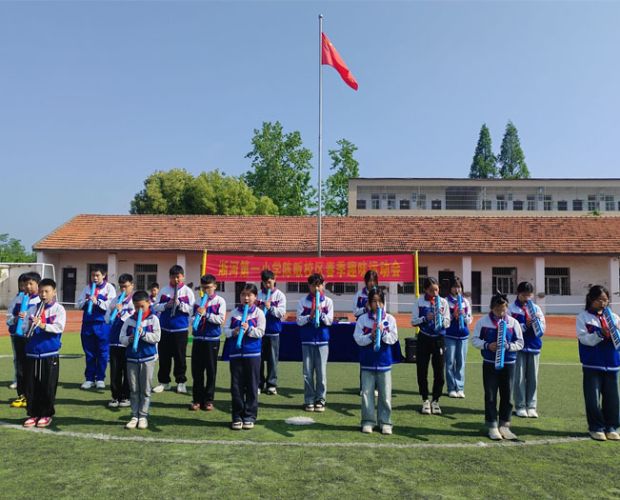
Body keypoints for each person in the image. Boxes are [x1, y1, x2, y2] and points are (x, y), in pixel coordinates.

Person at [472, 291, 524, 440]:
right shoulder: (483, 322)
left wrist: (508, 346)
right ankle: (492, 426)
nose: (501, 312)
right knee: (490, 395)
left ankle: (504, 425)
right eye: (497, 309)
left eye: (503, 309)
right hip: (489, 364)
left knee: (507, 396)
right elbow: (474, 340)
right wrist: (487, 345)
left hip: (508, 364)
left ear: (507, 308)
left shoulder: (513, 323)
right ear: (491, 308)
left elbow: (520, 343)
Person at [576, 285, 620, 441]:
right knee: (593, 400)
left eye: (605, 300)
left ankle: (612, 427)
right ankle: (596, 427)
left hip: (613, 363)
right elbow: (584, 339)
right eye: (599, 300)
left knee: (613, 399)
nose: (603, 303)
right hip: (592, 364)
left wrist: (614, 332)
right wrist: (600, 333)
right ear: (591, 299)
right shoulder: (583, 317)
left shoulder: (614, 318)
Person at [22, 278, 66, 428]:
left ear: (54, 292)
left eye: (47, 291)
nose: (43, 294)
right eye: (41, 291)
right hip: (32, 353)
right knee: (31, 386)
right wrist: (26, 323)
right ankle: (33, 413)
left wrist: (42, 325)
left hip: (49, 353)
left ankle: (46, 414)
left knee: (48, 385)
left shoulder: (59, 309)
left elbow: (59, 327)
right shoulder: (32, 309)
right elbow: (24, 329)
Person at [353, 288, 398, 435]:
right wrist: (370, 336)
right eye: (374, 301)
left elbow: (393, 338)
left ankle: (385, 422)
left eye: (380, 301)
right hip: (367, 362)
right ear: (369, 303)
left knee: (385, 395)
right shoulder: (362, 319)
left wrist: (383, 332)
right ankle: (368, 421)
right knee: (367, 394)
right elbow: (357, 339)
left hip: (384, 362)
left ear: (383, 303)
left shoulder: (390, 319)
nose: (377, 304)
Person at [223, 284, 265, 430]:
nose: (246, 298)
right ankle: (237, 416)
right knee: (236, 387)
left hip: (252, 354)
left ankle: (249, 416)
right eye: (243, 295)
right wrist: (234, 332)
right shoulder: (234, 313)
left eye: (249, 295)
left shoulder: (259, 313)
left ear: (255, 297)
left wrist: (249, 329)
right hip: (236, 354)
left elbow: (261, 332)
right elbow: (225, 330)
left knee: (252, 386)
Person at [120, 291, 161, 430]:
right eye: (136, 307)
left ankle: (143, 416)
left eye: (142, 306)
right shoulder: (129, 320)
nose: (139, 310)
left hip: (147, 359)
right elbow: (121, 338)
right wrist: (129, 339)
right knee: (133, 389)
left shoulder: (153, 319)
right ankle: (134, 415)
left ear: (148, 303)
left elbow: (157, 337)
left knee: (145, 389)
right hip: (131, 359)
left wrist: (143, 334)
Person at [152, 265, 195, 394]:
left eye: (178, 277)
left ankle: (181, 382)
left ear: (183, 277)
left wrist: (180, 305)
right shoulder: (164, 290)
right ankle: (164, 382)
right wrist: (166, 305)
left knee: (180, 357)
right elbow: (155, 306)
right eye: (173, 277)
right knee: (164, 357)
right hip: (165, 329)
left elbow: (192, 309)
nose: (175, 280)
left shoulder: (187, 291)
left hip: (180, 330)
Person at [410, 277, 450, 415]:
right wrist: (425, 318)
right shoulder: (419, 302)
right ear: (426, 290)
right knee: (422, 370)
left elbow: (448, 322)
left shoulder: (443, 302)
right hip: (424, 338)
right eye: (432, 290)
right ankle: (425, 399)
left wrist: (441, 319)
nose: (435, 293)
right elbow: (413, 321)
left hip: (439, 339)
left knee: (439, 372)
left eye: (437, 290)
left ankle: (436, 400)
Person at [296, 273, 334, 412]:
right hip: (307, 341)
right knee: (307, 373)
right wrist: (310, 315)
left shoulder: (328, 302)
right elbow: (299, 321)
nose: (316, 288)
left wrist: (321, 314)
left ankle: (320, 399)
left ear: (323, 285)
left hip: (322, 341)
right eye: (313, 285)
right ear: (309, 286)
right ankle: (309, 400)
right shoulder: (302, 301)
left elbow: (330, 321)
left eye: (319, 285)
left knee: (321, 372)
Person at [509, 281, 546, 418]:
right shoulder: (511, 309)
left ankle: (531, 406)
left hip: (534, 346)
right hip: (518, 347)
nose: (526, 298)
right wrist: (524, 325)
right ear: (518, 294)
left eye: (529, 295)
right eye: (524, 295)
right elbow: (510, 328)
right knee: (518, 378)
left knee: (533, 378)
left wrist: (536, 323)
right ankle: (520, 406)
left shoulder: (536, 309)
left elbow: (543, 328)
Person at [190, 274, 226, 411]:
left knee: (211, 371)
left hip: (212, 340)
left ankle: (209, 400)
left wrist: (206, 314)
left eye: (209, 287)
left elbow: (220, 320)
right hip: (198, 339)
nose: (206, 290)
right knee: (197, 371)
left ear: (215, 286)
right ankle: (197, 399)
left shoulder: (220, 301)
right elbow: (190, 320)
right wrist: (196, 316)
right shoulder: (197, 302)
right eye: (204, 288)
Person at [77, 266, 116, 390]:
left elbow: (111, 305)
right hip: (88, 324)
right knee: (89, 352)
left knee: (103, 353)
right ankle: (89, 379)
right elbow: (78, 304)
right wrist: (86, 301)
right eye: (93, 275)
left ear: (104, 275)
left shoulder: (109, 288)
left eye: (97, 275)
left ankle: (100, 378)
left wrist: (97, 301)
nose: (94, 278)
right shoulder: (87, 288)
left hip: (102, 324)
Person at [6, 272, 41, 408]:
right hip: (19, 338)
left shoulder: (41, 301)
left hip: (34, 338)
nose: (28, 287)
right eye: (25, 284)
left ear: (38, 284)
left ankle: (35, 395)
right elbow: (9, 317)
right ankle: (22, 395)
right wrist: (15, 318)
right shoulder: (19, 299)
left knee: (33, 367)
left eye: (31, 284)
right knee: (21, 367)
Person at [104, 273, 135, 408]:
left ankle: (126, 396)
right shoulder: (114, 301)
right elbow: (106, 319)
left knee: (127, 371)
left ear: (132, 286)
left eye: (126, 286)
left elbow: (133, 319)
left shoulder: (134, 301)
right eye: (121, 286)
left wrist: (121, 312)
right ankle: (115, 396)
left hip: (127, 341)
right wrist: (113, 312)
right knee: (115, 371)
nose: (123, 289)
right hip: (114, 340)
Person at [257, 269, 287, 395]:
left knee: (272, 360)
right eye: (265, 283)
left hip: (273, 332)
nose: (267, 285)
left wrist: (270, 308)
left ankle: (271, 384)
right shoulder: (258, 294)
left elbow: (281, 313)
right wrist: (260, 307)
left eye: (269, 282)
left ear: (274, 280)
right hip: (259, 332)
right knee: (258, 359)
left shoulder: (280, 295)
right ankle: (259, 384)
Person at [444, 277, 473, 399]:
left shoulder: (465, 302)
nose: (457, 289)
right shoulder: (445, 301)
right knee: (450, 362)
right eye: (454, 287)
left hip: (463, 336)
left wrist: (464, 315)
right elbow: (443, 320)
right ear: (450, 288)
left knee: (461, 362)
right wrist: (452, 315)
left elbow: (470, 320)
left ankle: (460, 388)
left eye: (459, 287)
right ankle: (451, 388)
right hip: (449, 335)